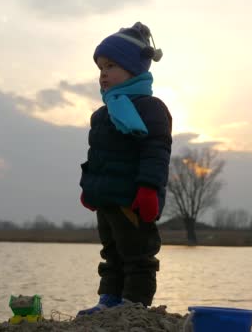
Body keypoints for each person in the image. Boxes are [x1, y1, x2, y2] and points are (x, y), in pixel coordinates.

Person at [78, 22, 172, 315]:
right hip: (107, 198)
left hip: (133, 198)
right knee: (111, 253)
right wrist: (88, 188)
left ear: (133, 69)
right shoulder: (102, 115)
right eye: (100, 68)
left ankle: (134, 305)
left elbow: (156, 152)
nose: (103, 74)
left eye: (111, 66)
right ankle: (109, 299)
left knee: (137, 254)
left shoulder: (151, 108)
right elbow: (97, 156)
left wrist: (148, 189)